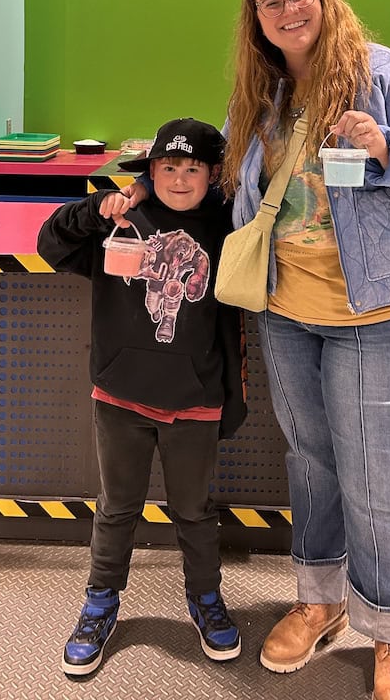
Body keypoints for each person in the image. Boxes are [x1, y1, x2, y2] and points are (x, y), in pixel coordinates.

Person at [221, 0, 390, 700]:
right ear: (257, 21)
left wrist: (387, 145)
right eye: (272, 3)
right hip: (290, 312)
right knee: (312, 460)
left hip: (382, 311)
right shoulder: (259, 93)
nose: (288, 10)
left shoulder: (384, 75)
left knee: (382, 477)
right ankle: (320, 600)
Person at [37, 118, 247, 678]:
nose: (181, 178)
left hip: (195, 400)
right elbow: (50, 245)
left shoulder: (228, 230)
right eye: (169, 167)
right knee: (117, 507)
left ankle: (205, 598)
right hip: (120, 396)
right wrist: (93, 209)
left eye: (194, 168)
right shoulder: (121, 223)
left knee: (194, 512)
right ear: (151, 173)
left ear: (213, 175)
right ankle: (100, 602)